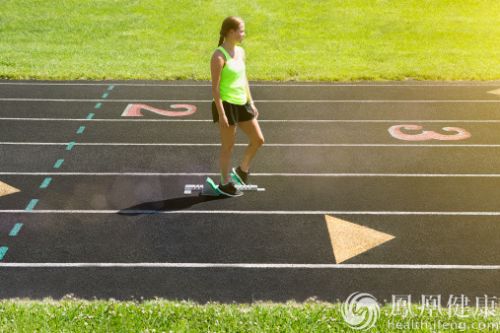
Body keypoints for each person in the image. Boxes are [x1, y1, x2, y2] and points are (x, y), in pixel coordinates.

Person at [210, 16, 265, 197]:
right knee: (228, 146)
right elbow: (215, 89)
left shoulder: (240, 52)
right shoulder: (218, 56)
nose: (244, 34)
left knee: (258, 140)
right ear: (231, 32)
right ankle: (224, 183)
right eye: (241, 30)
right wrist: (222, 114)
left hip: (242, 103)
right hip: (227, 105)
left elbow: (243, 78)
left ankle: (242, 170)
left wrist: (251, 101)